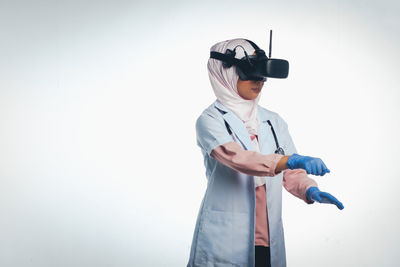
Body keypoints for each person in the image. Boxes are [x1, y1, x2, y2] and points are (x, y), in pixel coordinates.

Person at [186, 38, 344, 267]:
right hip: (227, 236)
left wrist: (309, 189)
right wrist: (288, 160)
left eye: (262, 76)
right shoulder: (210, 120)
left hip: (268, 236)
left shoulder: (272, 121)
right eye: (250, 75)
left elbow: (292, 173)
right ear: (226, 74)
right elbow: (239, 159)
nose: (259, 82)